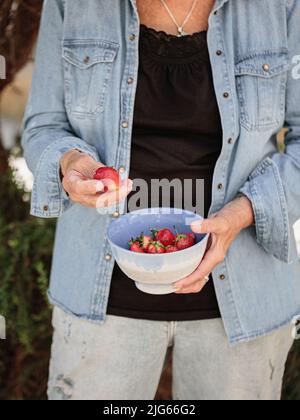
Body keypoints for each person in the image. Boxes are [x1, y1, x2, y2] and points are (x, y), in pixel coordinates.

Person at [22, 0, 300, 400]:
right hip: (100, 296)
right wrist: (70, 162)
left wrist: (243, 212)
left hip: (244, 298)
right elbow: (44, 124)